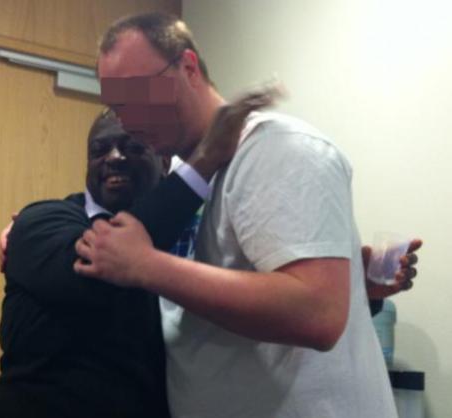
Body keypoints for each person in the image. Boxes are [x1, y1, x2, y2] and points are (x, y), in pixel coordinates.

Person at [74, 12, 421, 418]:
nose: (130, 120)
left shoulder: (276, 148)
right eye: (118, 105)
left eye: (139, 94)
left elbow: (317, 313)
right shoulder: (178, 178)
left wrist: (148, 266)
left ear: (188, 68)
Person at [0, 104, 267, 418]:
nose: (114, 157)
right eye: (99, 150)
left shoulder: (191, 237)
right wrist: (204, 160)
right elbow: (102, 267)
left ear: (165, 163)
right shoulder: (40, 222)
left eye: (133, 147)